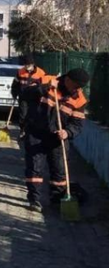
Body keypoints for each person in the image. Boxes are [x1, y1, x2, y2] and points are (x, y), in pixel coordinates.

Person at [21, 68, 89, 213]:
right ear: (68, 80)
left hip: (58, 138)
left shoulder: (79, 99)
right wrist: (44, 87)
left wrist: (67, 132)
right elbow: (25, 94)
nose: (77, 89)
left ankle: (57, 199)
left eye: (80, 87)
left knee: (59, 171)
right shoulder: (47, 80)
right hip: (36, 133)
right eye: (76, 85)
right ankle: (34, 200)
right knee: (34, 167)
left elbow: (77, 124)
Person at [11, 55, 46, 133]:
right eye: (25, 65)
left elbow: (44, 86)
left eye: (28, 65)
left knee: (34, 115)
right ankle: (23, 131)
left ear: (33, 64)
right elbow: (15, 84)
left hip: (35, 98)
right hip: (23, 97)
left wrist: (43, 95)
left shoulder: (41, 73)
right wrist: (14, 93)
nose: (27, 67)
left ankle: (32, 131)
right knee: (23, 115)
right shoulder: (20, 72)